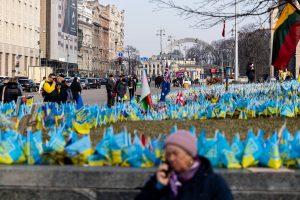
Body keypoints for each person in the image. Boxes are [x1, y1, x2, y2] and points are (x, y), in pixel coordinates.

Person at [135, 130, 233, 200]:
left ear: (190, 155)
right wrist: (156, 188)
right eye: (168, 154)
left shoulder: (212, 182)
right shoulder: (161, 178)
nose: (171, 158)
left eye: (175, 154)